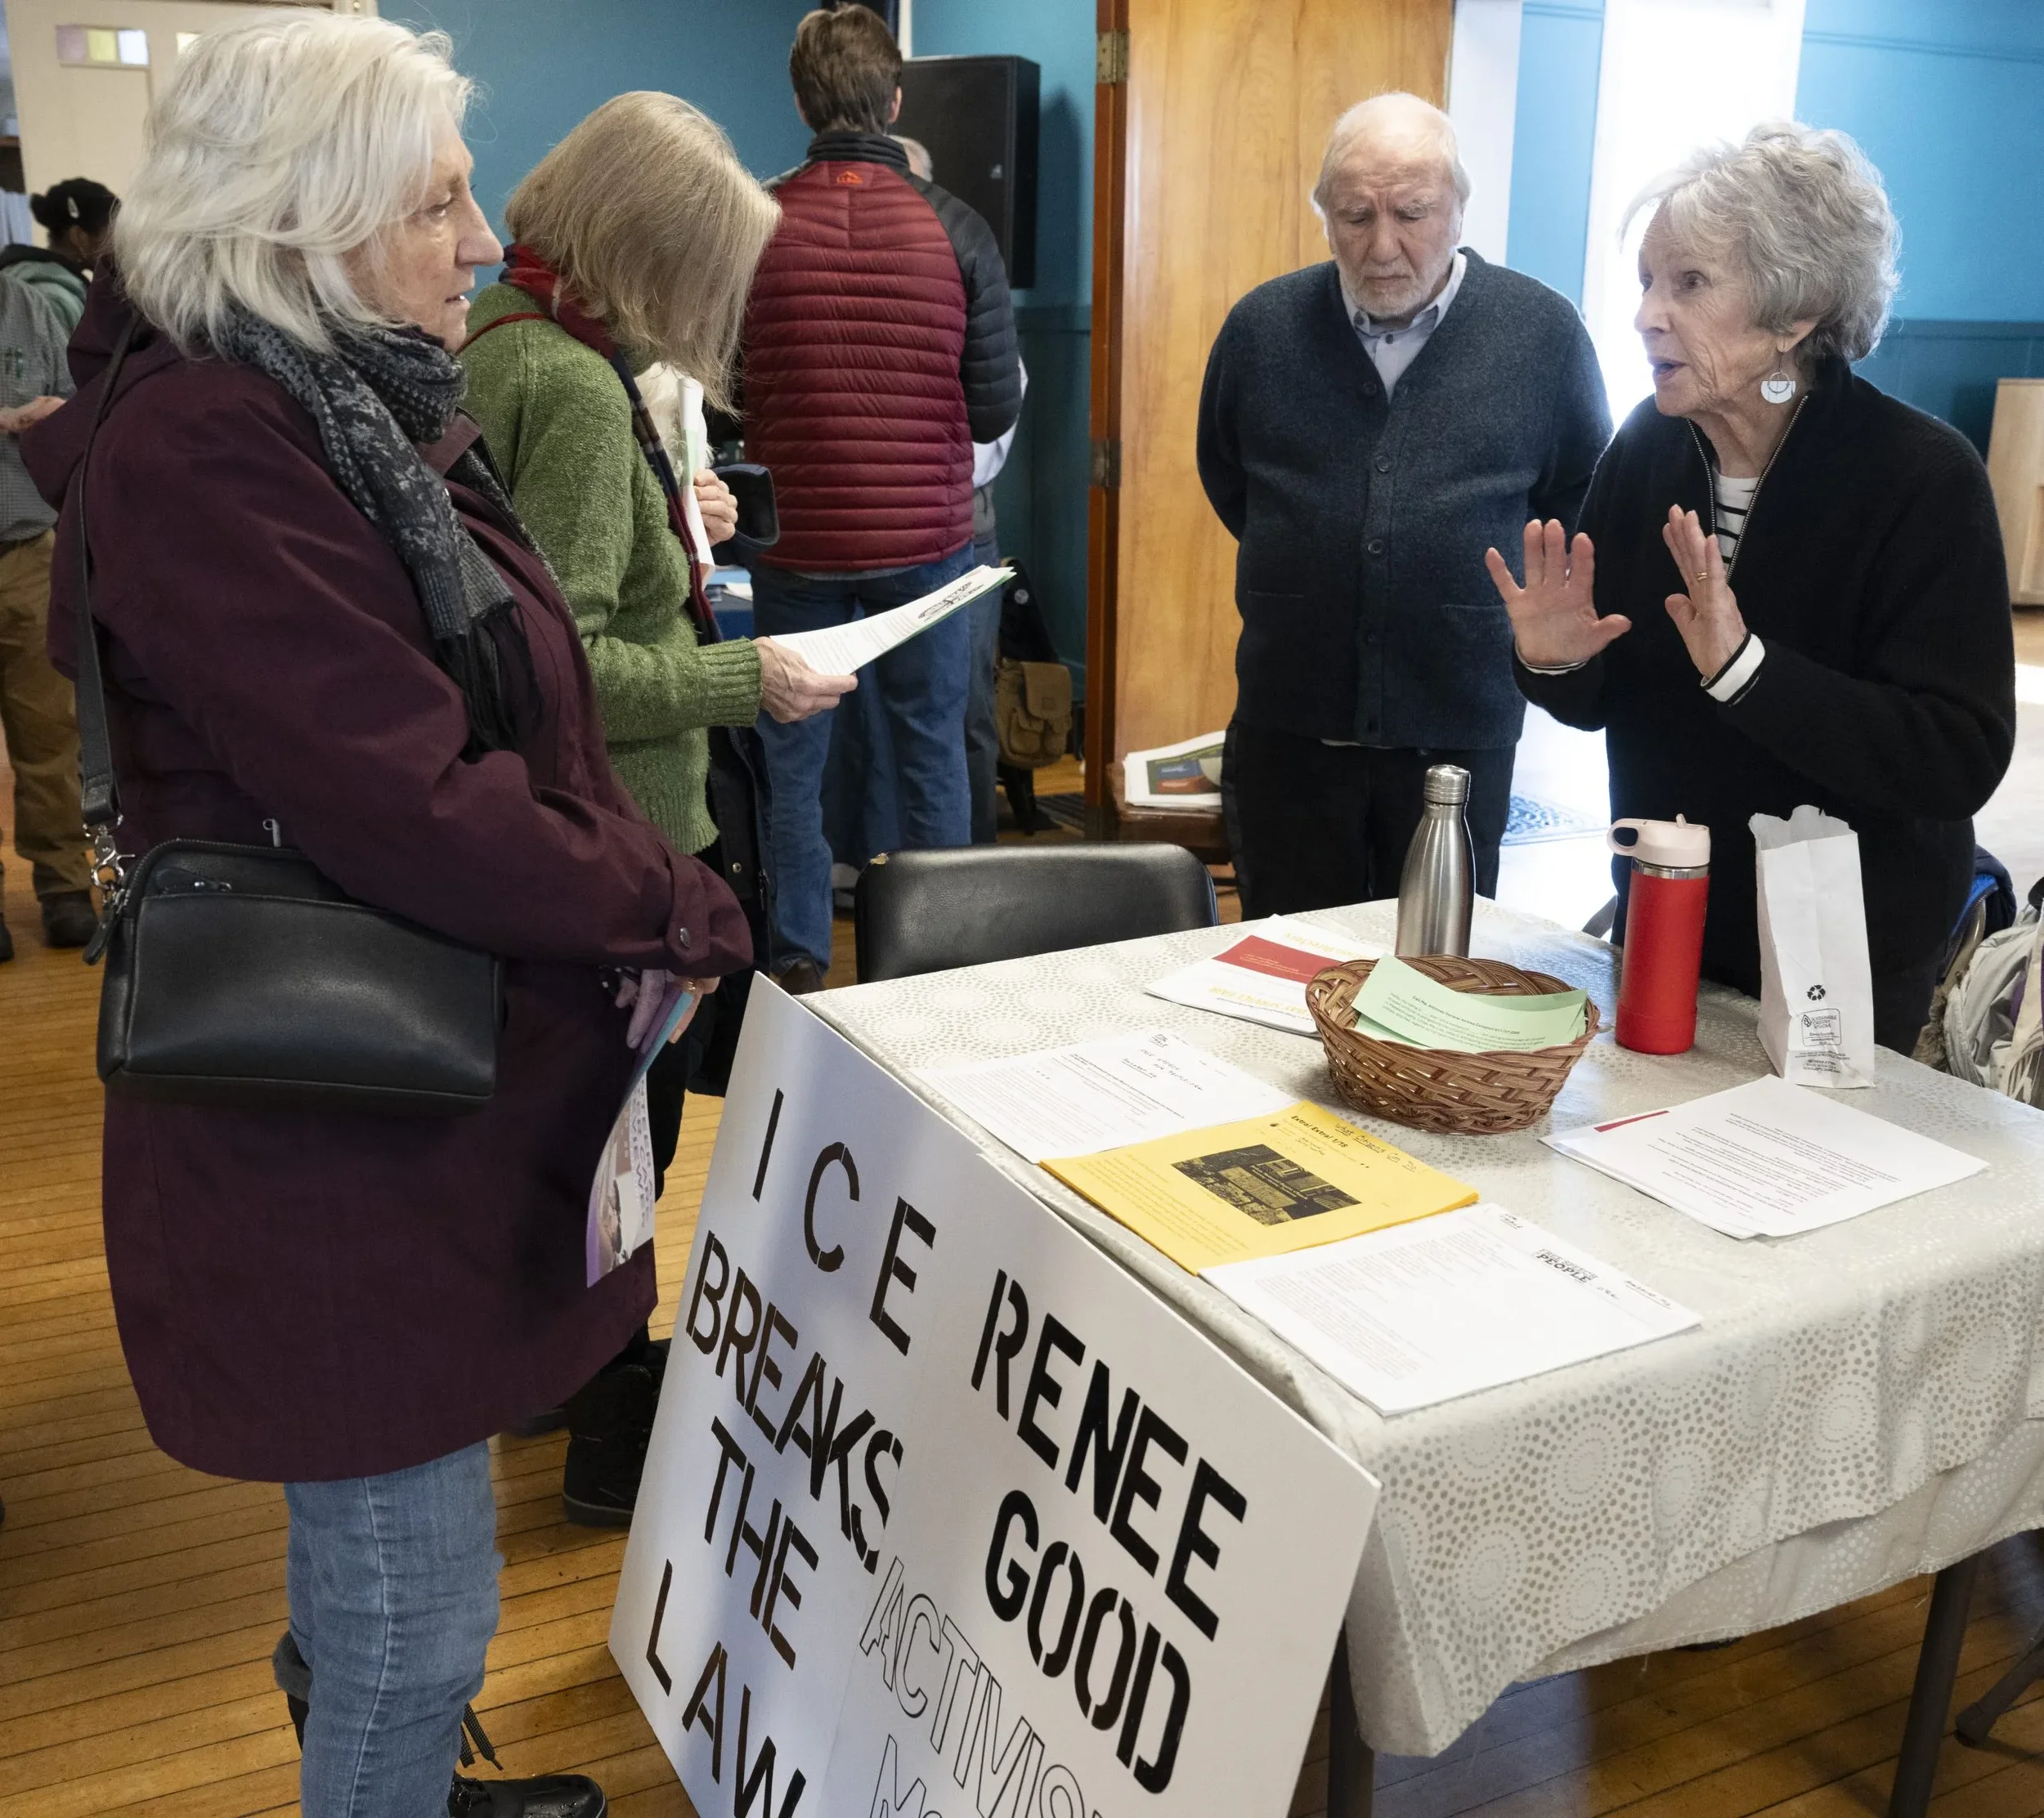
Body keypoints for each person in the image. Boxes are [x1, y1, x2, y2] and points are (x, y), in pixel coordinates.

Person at [25, 16, 751, 1816]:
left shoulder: (339, 397)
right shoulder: (215, 442)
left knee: (372, 1555)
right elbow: (405, 794)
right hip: (330, 1126)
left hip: (390, 1091)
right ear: (305, 222)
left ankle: (405, 1778)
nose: (486, 239)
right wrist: (666, 898)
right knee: (408, 1605)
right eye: (437, 203)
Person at [459, 92, 851, 1526]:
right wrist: (749, 677)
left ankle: (555, 1380)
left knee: (571, 1141)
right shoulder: (566, 384)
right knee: (627, 1154)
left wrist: (675, 521)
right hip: (621, 834)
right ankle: (614, 1440)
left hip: (557, 846)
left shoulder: (504, 337)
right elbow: (564, 671)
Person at [1498, 122, 2015, 1049]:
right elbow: (1603, 698)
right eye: (1647, 281)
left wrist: (1746, 669)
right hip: (1667, 914)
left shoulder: (1921, 477)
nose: (1647, 314)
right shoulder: (1647, 449)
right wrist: (1552, 662)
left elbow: (1957, 755)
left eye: (1688, 283)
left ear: (1795, 312)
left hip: (1847, 951)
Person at [1197, 92, 1611, 917]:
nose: (1382, 247)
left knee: (1430, 977)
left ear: (1458, 210)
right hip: (1290, 730)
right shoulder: (1261, 329)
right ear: (1322, 217)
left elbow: (1579, 503)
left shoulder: (1543, 334)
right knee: (1283, 970)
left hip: (1458, 733)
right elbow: (1231, 480)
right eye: (1354, 216)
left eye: (1412, 214)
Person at [742, 4, 1022, 989]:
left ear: (801, 100)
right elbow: (992, 407)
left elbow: (723, 396)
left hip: (796, 550)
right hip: (927, 545)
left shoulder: (752, 225)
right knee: (929, 751)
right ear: (895, 97)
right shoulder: (960, 230)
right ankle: (932, 964)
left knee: (792, 760)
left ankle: (797, 962)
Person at [0, 266, 90, 960]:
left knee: (51, 734)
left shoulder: (32, 305)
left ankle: (64, 888)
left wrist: (55, 416)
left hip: (29, 548)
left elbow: (76, 405)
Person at [0, 177, 119, 331]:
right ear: (79, 237)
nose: (119, 246)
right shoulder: (58, 301)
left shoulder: (25, 281)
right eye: (113, 235)